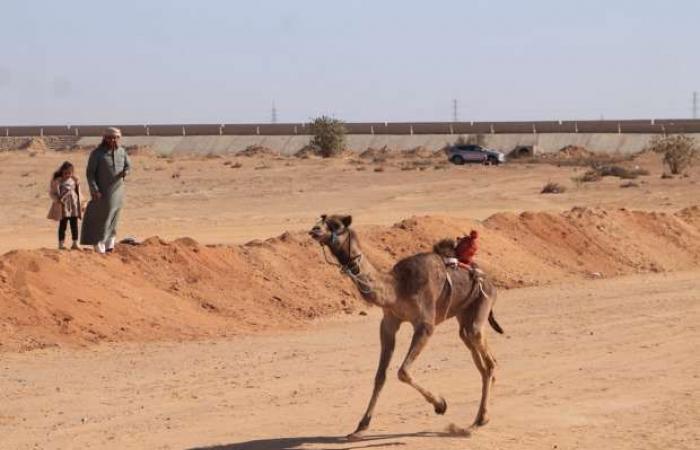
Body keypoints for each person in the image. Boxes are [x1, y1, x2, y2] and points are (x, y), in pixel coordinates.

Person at [80, 127, 131, 254]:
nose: (113, 140)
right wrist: (94, 189)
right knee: (101, 216)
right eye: (110, 137)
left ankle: (110, 243)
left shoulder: (122, 152)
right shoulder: (97, 153)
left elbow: (128, 165)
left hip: (118, 189)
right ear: (105, 138)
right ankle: (97, 242)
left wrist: (126, 172)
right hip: (102, 191)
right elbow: (90, 173)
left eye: (115, 137)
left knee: (114, 215)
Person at [47, 161, 82, 249]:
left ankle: (75, 243)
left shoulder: (74, 181)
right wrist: (57, 200)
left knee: (74, 225)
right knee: (63, 225)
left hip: (73, 206)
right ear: (62, 172)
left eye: (69, 173)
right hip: (63, 207)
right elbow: (52, 193)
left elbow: (79, 193)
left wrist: (82, 204)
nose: (67, 175)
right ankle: (61, 244)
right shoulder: (58, 182)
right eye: (66, 173)